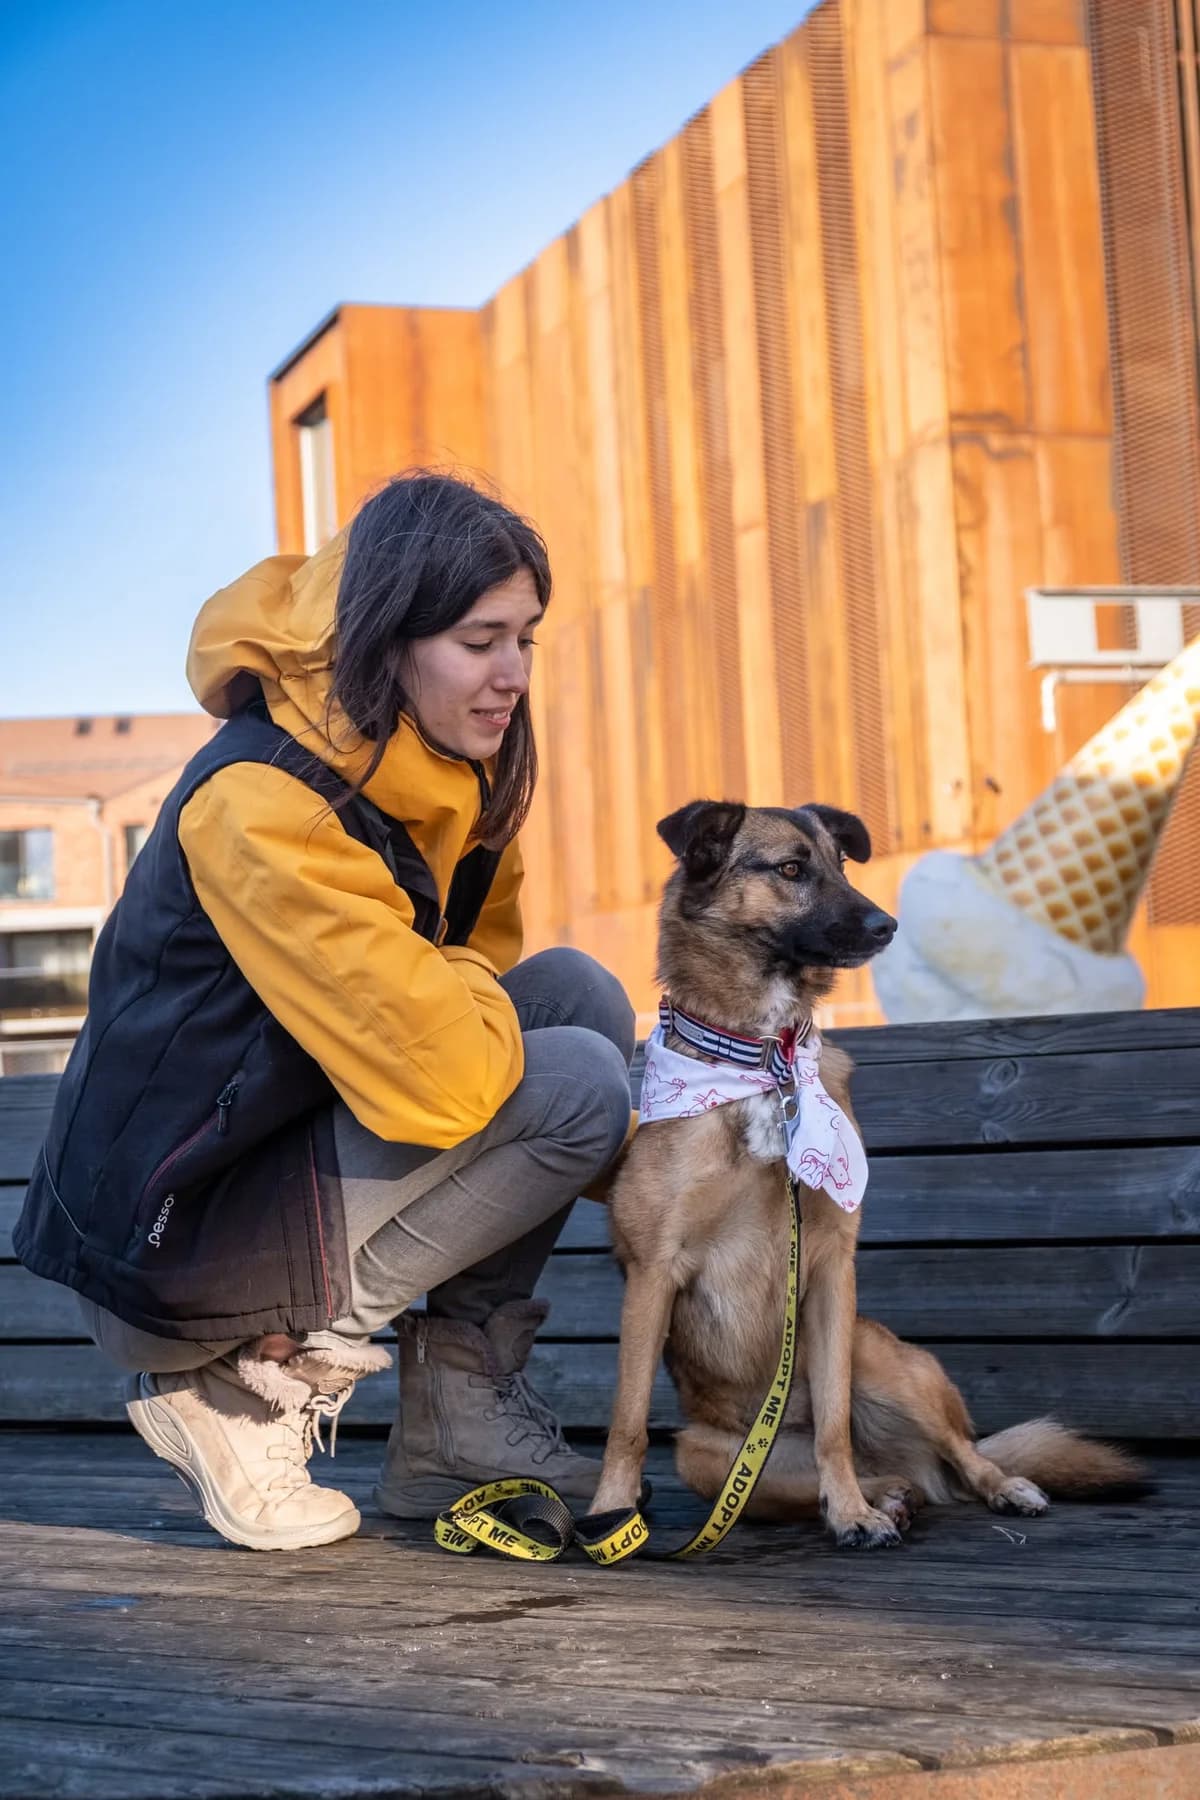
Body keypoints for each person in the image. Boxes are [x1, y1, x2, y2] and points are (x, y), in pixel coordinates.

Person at [15, 472, 635, 1552]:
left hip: (278, 1158)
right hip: (173, 1236)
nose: (512, 677)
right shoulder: (265, 801)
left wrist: (426, 989)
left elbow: (467, 988)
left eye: (526, 639)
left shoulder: (444, 779)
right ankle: (238, 1389)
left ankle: (457, 1412)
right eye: (480, 640)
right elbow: (446, 1078)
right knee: (576, 1082)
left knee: (578, 994)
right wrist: (431, 997)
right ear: (390, 638)